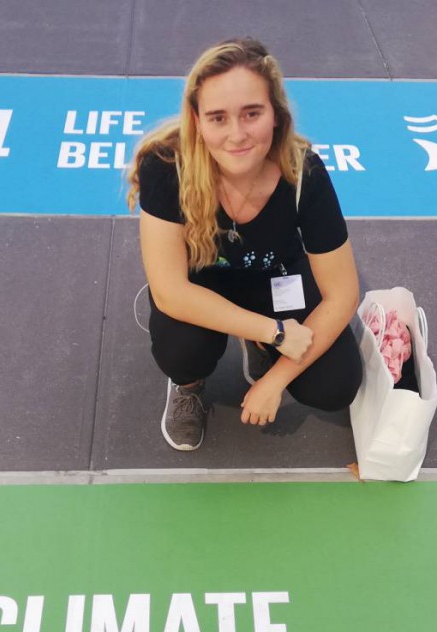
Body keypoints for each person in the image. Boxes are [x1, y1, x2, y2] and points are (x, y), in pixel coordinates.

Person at [128, 37, 362, 451]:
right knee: (181, 350)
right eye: (218, 118)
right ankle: (188, 386)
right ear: (197, 120)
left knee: (335, 385)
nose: (237, 134)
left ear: (276, 114)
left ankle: (258, 347)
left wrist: (277, 379)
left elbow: (342, 293)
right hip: (202, 284)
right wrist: (275, 333)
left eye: (252, 113)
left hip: (275, 276)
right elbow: (170, 291)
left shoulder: (303, 172)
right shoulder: (166, 166)